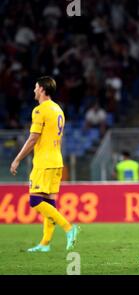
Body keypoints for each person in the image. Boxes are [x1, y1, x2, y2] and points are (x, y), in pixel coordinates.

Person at [9, 76, 79, 252]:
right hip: (56, 161)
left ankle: (69, 228)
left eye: (35, 87)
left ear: (41, 89)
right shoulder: (58, 109)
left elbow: (33, 139)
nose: (33, 90)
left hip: (44, 162)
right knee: (49, 201)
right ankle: (45, 243)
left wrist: (17, 159)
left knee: (35, 200)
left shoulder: (40, 110)